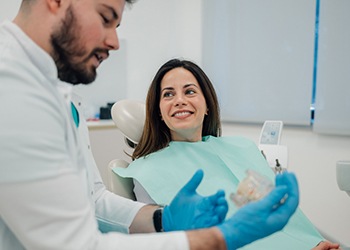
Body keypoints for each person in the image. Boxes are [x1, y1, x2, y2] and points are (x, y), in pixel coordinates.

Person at [0, 0, 300, 249]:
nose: (115, 42)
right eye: (106, 18)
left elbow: (93, 199)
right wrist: (218, 238)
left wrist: (162, 219)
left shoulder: (60, 94)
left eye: (116, 27)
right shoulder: (12, 87)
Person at [114, 58, 341, 250]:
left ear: (207, 105)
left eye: (190, 91)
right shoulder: (147, 170)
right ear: (160, 113)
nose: (180, 100)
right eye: (168, 94)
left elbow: (278, 213)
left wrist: (311, 243)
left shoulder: (241, 148)